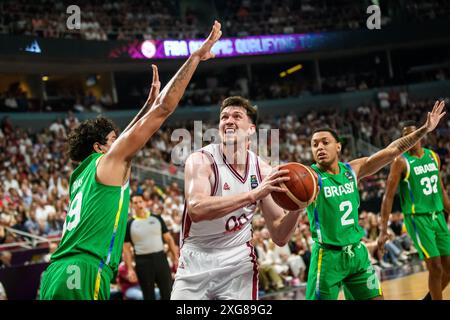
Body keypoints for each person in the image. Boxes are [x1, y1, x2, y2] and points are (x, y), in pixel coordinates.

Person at [38, 21, 223, 300]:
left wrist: (145, 106)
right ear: (100, 147)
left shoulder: (80, 175)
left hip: (56, 273)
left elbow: (135, 128)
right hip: (84, 271)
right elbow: (164, 109)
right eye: (114, 139)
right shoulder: (108, 161)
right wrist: (194, 58)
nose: (122, 141)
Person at [305, 100, 446, 300]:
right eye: (314, 144)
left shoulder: (352, 170)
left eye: (325, 142)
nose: (319, 147)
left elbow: (392, 151)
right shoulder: (309, 177)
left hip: (357, 252)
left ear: (338, 147)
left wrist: (425, 129)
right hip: (328, 257)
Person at [171, 96, 305, 300]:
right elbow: (197, 209)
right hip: (196, 256)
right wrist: (252, 195)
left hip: (237, 258)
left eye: (236, 116)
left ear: (251, 129)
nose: (229, 120)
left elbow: (279, 235)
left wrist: (298, 206)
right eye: (224, 117)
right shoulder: (201, 160)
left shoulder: (263, 170)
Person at [378, 116, 450, 300]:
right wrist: (383, 229)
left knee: (448, 269)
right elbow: (387, 197)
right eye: (405, 137)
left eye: (413, 136)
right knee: (435, 266)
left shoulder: (433, 156)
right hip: (418, 219)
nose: (410, 140)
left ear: (420, 136)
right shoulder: (400, 162)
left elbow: (441, 191)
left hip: (438, 216)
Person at [122, 194, 179, 300]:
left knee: (168, 292)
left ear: (145, 202)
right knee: (148, 295)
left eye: (140, 201)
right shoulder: (130, 224)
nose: (139, 204)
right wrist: (130, 269)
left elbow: (169, 239)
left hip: (161, 258)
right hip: (142, 262)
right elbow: (126, 249)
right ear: (132, 205)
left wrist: (175, 257)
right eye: (135, 202)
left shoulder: (157, 218)